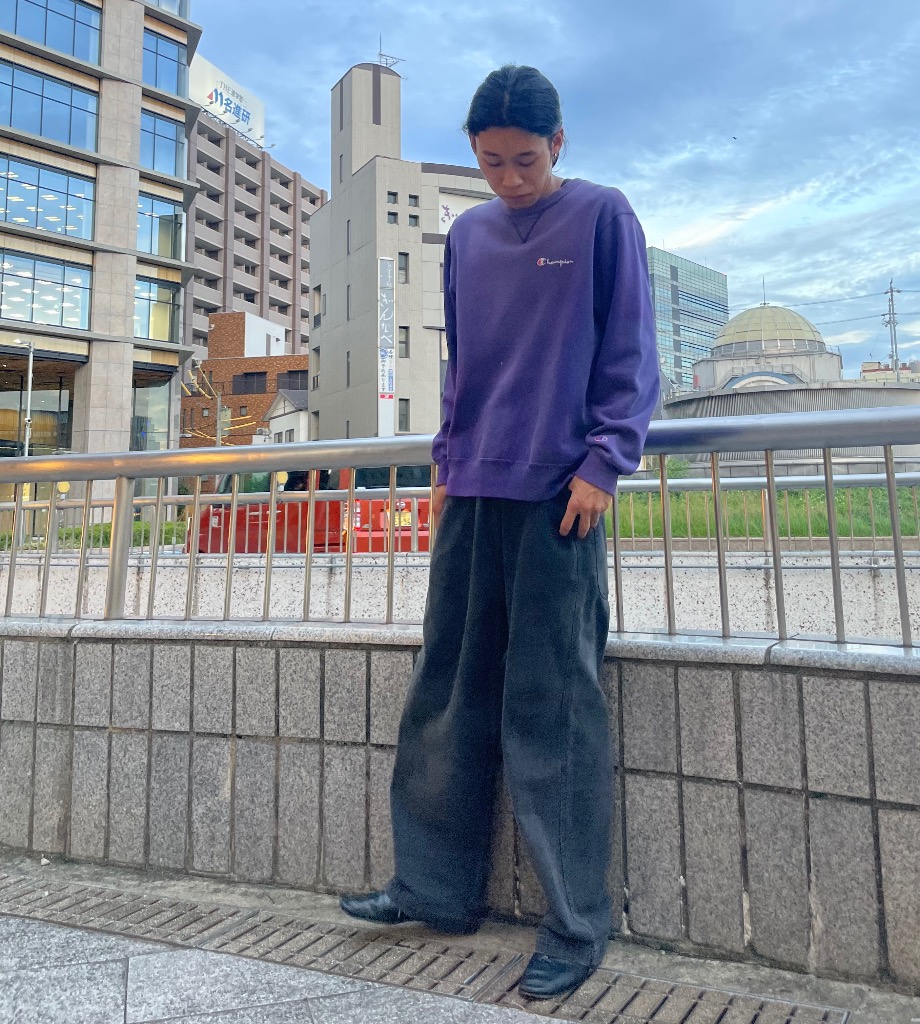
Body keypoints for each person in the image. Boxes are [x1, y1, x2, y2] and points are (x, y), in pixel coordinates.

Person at [341, 64, 660, 1000]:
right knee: (446, 685)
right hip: (471, 487)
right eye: (491, 162)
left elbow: (631, 350)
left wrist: (605, 462)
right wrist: (445, 459)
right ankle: (434, 889)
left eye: (525, 160)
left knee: (553, 703)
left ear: (558, 144)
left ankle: (576, 924)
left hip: (561, 493)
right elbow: (462, 362)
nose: (509, 178)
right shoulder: (470, 234)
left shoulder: (603, 215)